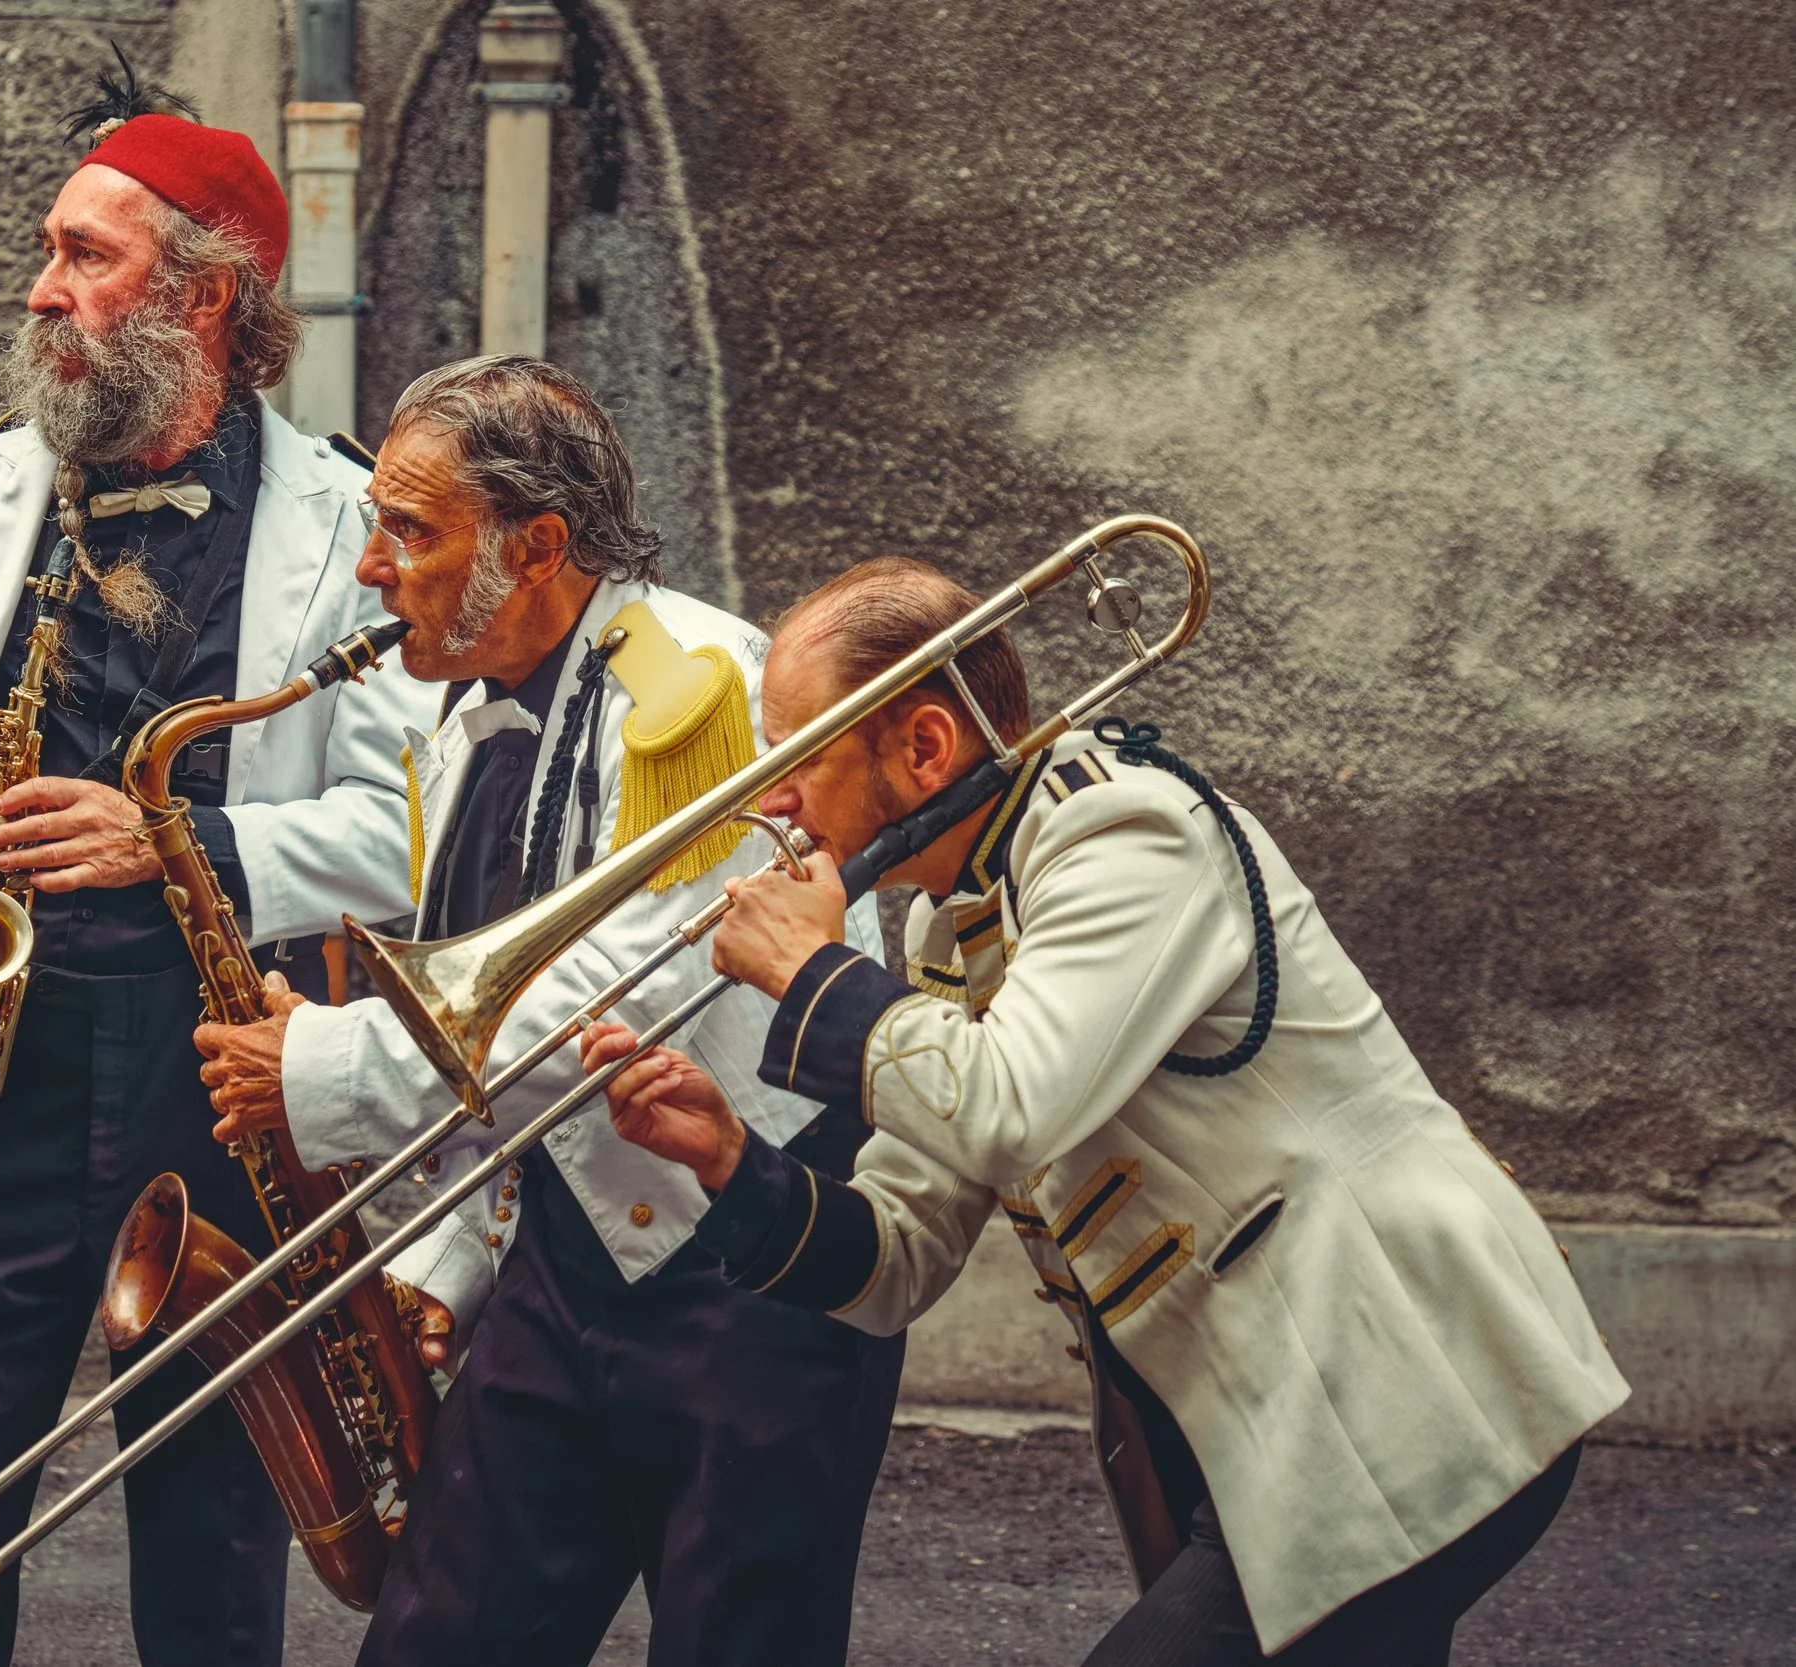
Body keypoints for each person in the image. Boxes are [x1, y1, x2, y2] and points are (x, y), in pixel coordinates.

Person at [590, 556, 1631, 1666]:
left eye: (797, 755)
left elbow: (1008, 1104)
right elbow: (897, 1258)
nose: (772, 801)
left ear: (928, 747)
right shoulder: (949, 932)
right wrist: (731, 1158)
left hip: (1406, 1382)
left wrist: (808, 973)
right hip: (1280, 1428)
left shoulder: (1122, 830)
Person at [0, 64, 426, 1667]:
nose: (43, 287)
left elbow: (400, 826)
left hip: (217, 1057)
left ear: (210, 294)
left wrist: (179, 843)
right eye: (52, 247)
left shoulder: (356, 518)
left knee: (218, 1515)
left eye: (89, 254)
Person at [192, 354, 897, 1667]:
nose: (371, 570)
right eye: (374, 529)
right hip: (565, 1270)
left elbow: (626, 992)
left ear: (539, 543)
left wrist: (323, 1060)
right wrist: (448, 1263)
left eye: (412, 530)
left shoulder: (710, 690)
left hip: (760, 1279)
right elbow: (480, 1027)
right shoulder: (465, 727)